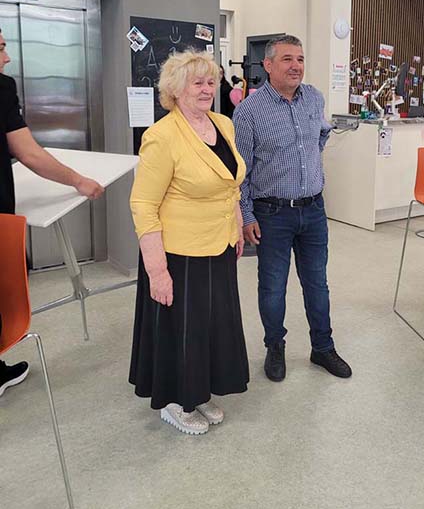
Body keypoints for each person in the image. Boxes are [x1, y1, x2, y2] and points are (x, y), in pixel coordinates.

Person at [129, 50, 249, 436]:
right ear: (176, 90)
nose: (207, 89)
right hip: (178, 254)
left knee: (211, 325)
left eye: (211, 81)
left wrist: (236, 226)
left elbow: (230, 185)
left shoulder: (222, 124)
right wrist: (156, 270)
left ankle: (199, 390)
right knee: (183, 329)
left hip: (219, 245)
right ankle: (176, 401)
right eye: (197, 82)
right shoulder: (161, 136)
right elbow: (143, 204)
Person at [233, 34, 351, 382]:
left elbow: (320, 136)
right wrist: (246, 215)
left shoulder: (313, 98)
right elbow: (241, 171)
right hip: (272, 214)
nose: (296, 66)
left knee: (317, 283)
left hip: (313, 210)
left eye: (299, 59)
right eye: (287, 59)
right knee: (273, 287)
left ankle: (322, 347)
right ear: (268, 65)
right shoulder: (248, 112)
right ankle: (275, 347)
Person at [0, 30, 104, 396]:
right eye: (1, 48)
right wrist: (78, 180)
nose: (7, 57)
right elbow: (28, 152)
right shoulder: (2, 87)